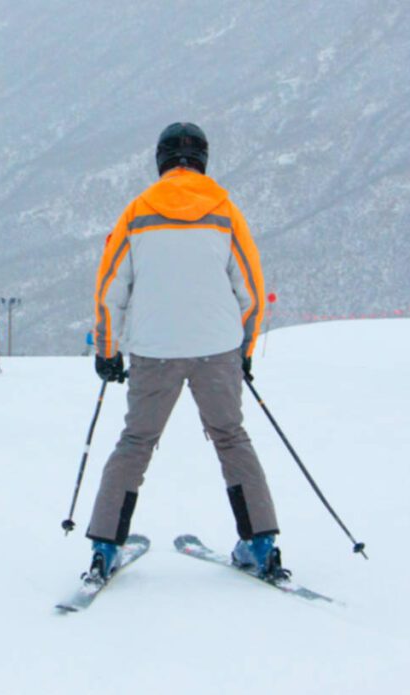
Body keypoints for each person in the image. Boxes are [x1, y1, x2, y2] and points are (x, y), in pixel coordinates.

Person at [84, 122, 286, 581]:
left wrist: (107, 349)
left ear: (161, 160)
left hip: (154, 350)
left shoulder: (136, 212)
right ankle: (261, 544)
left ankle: (104, 547)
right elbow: (250, 290)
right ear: (203, 160)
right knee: (231, 437)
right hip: (217, 348)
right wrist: (246, 349)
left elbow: (110, 288)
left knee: (135, 443)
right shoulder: (226, 212)